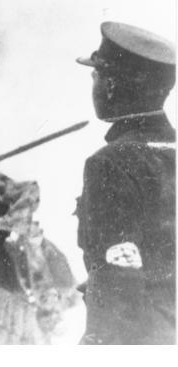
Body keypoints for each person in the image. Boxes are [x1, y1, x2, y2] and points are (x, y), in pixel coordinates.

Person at [75, 21, 176, 344]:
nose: (94, 85)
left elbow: (119, 285)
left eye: (96, 75)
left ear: (111, 86)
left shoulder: (111, 164)